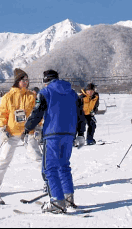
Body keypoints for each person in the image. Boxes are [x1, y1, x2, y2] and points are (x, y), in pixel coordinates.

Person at [23, 69, 85, 213]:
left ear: (45, 81)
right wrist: (81, 134)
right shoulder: (73, 94)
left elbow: (36, 113)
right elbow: (81, 115)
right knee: (64, 166)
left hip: (52, 134)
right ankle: (69, 199)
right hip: (69, 135)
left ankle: (57, 202)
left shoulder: (45, 93)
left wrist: (27, 129)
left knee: (49, 168)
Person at [0, 68, 44, 197]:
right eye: (23, 80)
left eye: (27, 80)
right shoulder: (7, 97)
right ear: (17, 81)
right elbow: (2, 114)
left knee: (37, 157)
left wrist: (38, 128)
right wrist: (3, 129)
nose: (25, 82)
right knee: (4, 158)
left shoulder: (32, 96)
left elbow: (37, 113)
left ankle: (48, 182)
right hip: (12, 131)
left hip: (28, 131)